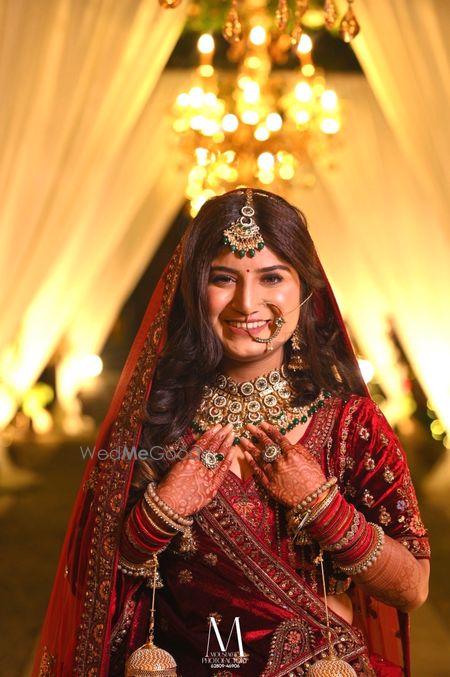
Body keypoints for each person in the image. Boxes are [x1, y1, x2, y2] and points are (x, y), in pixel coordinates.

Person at [33, 188, 430, 677]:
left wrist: (323, 507)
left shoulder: (352, 425)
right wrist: (160, 512)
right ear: (193, 290)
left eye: (272, 277)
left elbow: (413, 588)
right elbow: (86, 582)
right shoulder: (153, 420)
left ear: (305, 290)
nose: (247, 303)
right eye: (223, 278)